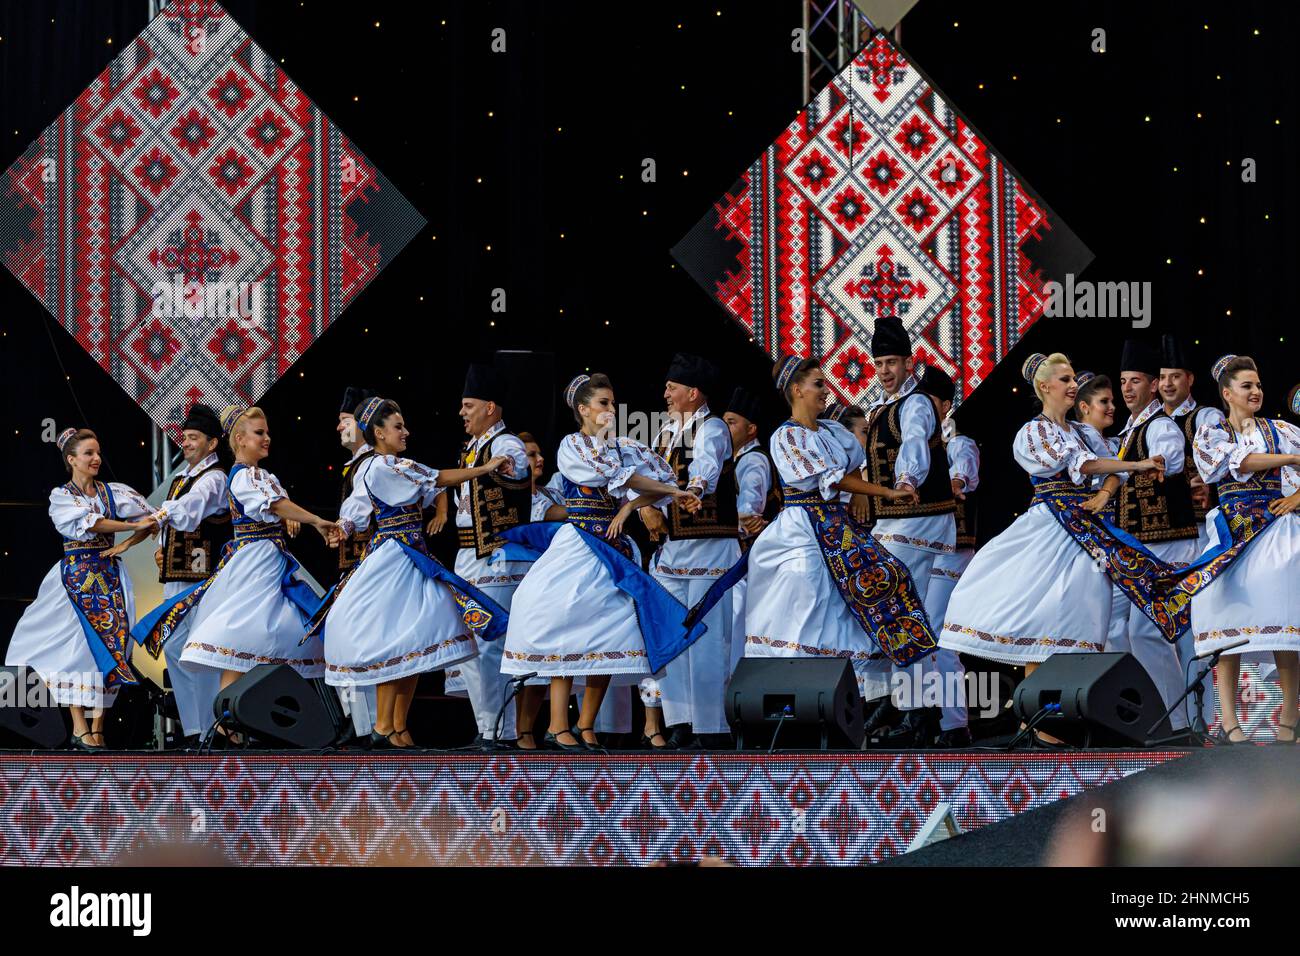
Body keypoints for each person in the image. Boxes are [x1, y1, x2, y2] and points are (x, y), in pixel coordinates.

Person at [938, 354, 1173, 686]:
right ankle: (1037, 723)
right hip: (1050, 531)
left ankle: (1060, 721)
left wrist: (1104, 495)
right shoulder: (1033, 431)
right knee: (1043, 624)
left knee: (1077, 625)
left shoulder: (1083, 432)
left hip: (1087, 533)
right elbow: (1087, 465)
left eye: (1074, 378)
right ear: (1044, 386)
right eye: (1065, 379)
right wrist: (1136, 465)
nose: (1074, 385)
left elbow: (1109, 470)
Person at [498, 373, 704, 752]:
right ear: (584, 409)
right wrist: (669, 492)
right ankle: (558, 725)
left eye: (612, 403)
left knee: (614, 633)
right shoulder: (573, 445)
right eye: (604, 403)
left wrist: (630, 506)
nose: (611, 409)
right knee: (567, 628)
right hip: (578, 546)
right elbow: (619, 477)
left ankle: (586, 724)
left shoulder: (623, 446)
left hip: (612, 548)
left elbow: (655, 478)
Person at [312, 396, 513, 749]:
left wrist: (342, 527)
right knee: (400, 640)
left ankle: (397, 727)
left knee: (416, 640)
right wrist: (484, 469)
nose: (405, 432)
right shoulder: (382, 466)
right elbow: (438, 476)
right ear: (378, 432)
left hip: (411, 554)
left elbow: (360, 507)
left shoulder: (386, 467)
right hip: (396, 558)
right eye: (397, 426)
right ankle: (386, 726)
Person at [132, 407, 342, 745]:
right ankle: (222, 730)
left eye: (267, 432)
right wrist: (315, 521)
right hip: (253, 565)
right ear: (239, 440)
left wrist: (296, 519)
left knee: (275, 637)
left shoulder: (261, 476)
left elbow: (278, 504)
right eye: (259, 433)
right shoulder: (240, 476)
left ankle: (245, 727)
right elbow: (272, 505)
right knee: (238, 642)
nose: (267, 438)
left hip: (270, 563)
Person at [741, 356, 937, 699]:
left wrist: (870, 490)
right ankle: (796, 692)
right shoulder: (786, 437)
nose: (824, 390)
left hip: (836, 527)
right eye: (818, 384)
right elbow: (832, 477)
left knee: (885, 579)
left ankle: (857, 696)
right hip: (802, 528)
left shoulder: (832, 431)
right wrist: (886, 491)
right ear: (796, 390)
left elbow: (855, 464)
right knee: (809, 595)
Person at [6, 429, 156, 749]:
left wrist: (127, 543)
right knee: (75, 652)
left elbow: (151, 520)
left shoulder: (113, 493)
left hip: (110, 581)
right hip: (74, 581)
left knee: (110, 651)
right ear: (71, 459)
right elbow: (92, 523)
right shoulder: (63, 497)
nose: (96, 458)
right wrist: (130, 528)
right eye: (88, 453)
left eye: (98, 452)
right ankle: (78, 725)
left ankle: (98, 728)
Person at [862, 318, 967, 747]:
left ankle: (912, 711)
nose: (885, 371)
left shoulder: (918, 403)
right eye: (879, 363)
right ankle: (908, 709)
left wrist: (907, 479)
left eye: (892, 362)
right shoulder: (879, 410)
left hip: (919, 514)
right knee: (899, 612)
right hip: (895, 519)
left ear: (910, 363)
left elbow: (916, 444)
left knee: (896, 606)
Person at [1189, 355, 1300, 744]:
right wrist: (1290, 459)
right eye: (1246, 386)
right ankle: (1230, 724)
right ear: (1227, 393)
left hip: (1275, 532)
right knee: (1227, 624)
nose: (1255, 391)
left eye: (1258, 385)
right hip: (1233, 533)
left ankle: (1288, 719)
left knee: (1283, 619)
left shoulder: (1281, 429)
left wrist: (1297, 496)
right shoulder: (1211, 434)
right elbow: (1238, 463)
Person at [640, 354, 739, 750]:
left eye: (672, 387)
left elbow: (706, 467)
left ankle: (710, 726)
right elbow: (646, 475)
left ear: (693, 393)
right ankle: (679, 719)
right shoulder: (665, 432)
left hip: (709, 547)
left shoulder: (711, 428)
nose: (665, 393)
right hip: (673, 550)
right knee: (673, 636)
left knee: (707, 638)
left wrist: (694, 491)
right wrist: (646, 505)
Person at [1114, 339, 1200, 730]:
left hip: (1170, 544)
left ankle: (1186, 722)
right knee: (1135, 632)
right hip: (1142, 549)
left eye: (1135, 381)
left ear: (1152, 386)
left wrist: (1156, 462)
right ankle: (1175, 718)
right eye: (1123, 381)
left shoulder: (1160, 425)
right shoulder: (1129, 431)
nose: (1128, 388)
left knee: (1161, 633)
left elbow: (1171, 456)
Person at [449, 363, 533, 748]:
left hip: (495, 557)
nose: (462, 413)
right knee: (469, 645)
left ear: (490, 408)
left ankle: (501, 732)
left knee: (490, 642)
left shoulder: (504, 444)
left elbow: (517, 468)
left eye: (469, 405)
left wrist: (507, 466)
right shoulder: (472, 449)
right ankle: (488, 728)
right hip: (469, 554)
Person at [147, 403, 231, 742]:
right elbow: (176, 523)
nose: (186, 443)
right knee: (175, 648)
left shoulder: (214, 479)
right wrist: (162, 548)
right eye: (184, 437)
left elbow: (189, 513)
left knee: (201, 650)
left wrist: (158, 516)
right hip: (178, 577)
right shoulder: (182, 478)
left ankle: (213, 728)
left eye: (193, 438)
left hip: (202, 580)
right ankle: (196, 727)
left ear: (212, 443)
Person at [914, 366, 974, 745]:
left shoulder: (958, 444)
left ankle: (952, 724)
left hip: (953, 552)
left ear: (946, 406)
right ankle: (933, 720)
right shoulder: (919, 446)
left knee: (937, 635)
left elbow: (961, 481)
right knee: (924, 634)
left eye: (929, 402)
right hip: (928, 550)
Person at [723, 387, 781, 677]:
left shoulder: (752, 460)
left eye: (732, 422)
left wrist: (719, 527)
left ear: (751, 429)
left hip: (748, 563)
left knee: (737, 628)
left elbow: (748, 512)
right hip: (751, 561)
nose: (725, 428)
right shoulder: (735, 459)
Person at [336, 386, 378, 575]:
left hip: (374, 561)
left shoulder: (374, 461)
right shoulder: (357, 463)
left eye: (345, 421)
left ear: (363, 424)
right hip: (359, 561)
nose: (339, 428)